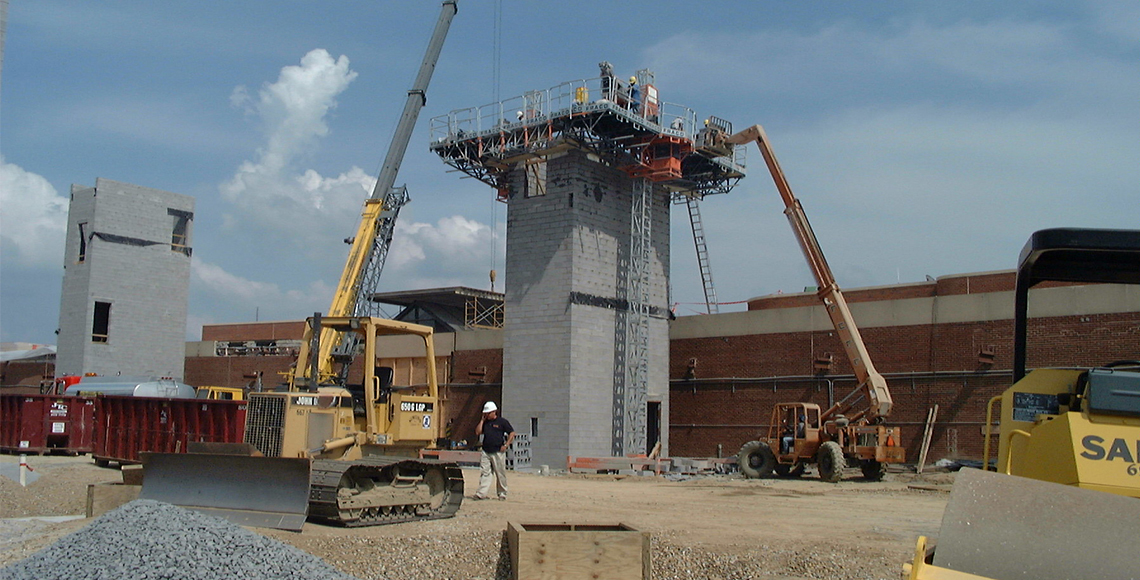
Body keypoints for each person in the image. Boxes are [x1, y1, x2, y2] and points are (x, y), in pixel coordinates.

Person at [474, 401, 515, 500]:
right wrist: (482, 420)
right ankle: (481, 493)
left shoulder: (502, 422)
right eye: (485, 413)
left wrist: (506, 445)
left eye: (488, 413)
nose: (487, 415)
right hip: (486, 451)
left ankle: (502, 493)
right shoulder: (485, 422)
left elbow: (512, 433)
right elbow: (477, 432)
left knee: (500, 473)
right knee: (485, 473)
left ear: (494, 412)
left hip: (498, 452)